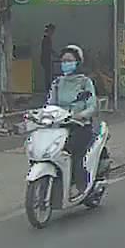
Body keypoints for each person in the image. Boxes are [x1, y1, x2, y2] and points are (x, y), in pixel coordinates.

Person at [47, 44, 98, 199]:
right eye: (63, 61)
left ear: (78, 62)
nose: (65, 64)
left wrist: (80, 115)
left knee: (72, 151)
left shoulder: (85, 82)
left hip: (80, 126)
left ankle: (79, 184)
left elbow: (92, 106)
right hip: (59, 127)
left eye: (69, 60)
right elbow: (50, 104)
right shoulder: (57, 83)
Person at [39, 23, 55, 92]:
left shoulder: (46, 38)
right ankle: (48, 89)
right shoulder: (46, 39)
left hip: (46, 58)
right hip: (46, 59)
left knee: (48, 74)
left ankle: (48, 88)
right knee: (48, 74)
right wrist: (55, 54)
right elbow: (48, 49)